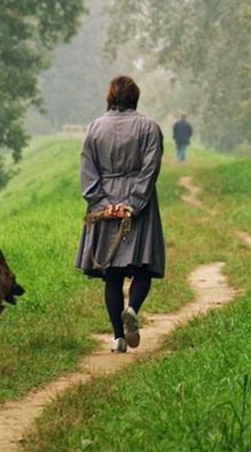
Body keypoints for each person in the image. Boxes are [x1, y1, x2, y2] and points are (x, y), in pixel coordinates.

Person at [75, 75, 165, 353]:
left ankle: (118, 338)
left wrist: (102, 204)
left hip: (105, 207)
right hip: (139, 205)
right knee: (143, 267)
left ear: (110, 97)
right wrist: (133, 204)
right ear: (135, 97)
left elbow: (86, 171)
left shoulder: (94, 128)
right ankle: (133, 309)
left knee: (112, 275)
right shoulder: (149, 127)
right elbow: (150, 169)